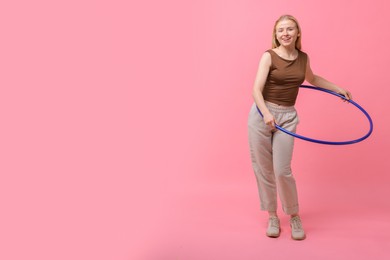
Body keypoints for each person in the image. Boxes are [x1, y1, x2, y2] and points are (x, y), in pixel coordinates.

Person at [247, 14, 352, 240]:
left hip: (287, 117)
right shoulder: (268, 56)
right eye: (280, 30)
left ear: (297, 33)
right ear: (275, 35)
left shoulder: (303, 58)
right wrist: (266, 114)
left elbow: (313, 79)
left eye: (289, 29)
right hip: (261, 115)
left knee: (282, 170)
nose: (285, 33)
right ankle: (273, 215)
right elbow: (256, 90)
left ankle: (294, 215)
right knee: (263, 169)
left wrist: (338, 88)